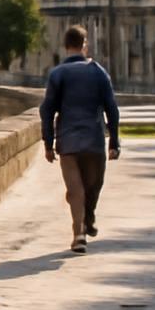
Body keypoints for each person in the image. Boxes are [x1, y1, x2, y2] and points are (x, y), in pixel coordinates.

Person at [38, 25, 122, 254]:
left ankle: (79, 233)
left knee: (75, 190)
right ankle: (87, 220)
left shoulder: (57, 74)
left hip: (68, 141)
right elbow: (112, 109)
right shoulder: (98, 72)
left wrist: (48, 143)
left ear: (65, 46)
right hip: (94, 139)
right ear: (85, 44)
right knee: (93, 185)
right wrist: (114, 141)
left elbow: (47, 111)